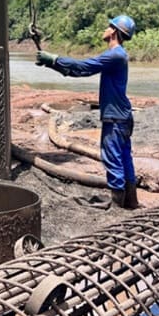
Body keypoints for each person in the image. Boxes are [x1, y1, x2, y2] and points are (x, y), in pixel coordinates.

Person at [36, 15, 138, 210]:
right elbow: (80, 71)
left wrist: (55, 59)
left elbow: (83, 67)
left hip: (115, 117)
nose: (105, 29)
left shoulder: (115, 55)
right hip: (122, 116)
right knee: (124, 157)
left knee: (113, 157)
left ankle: (117, 206)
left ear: (115, 31)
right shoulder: (118, 55)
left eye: (108, 26)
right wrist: (53, 64)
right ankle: (131, 201)